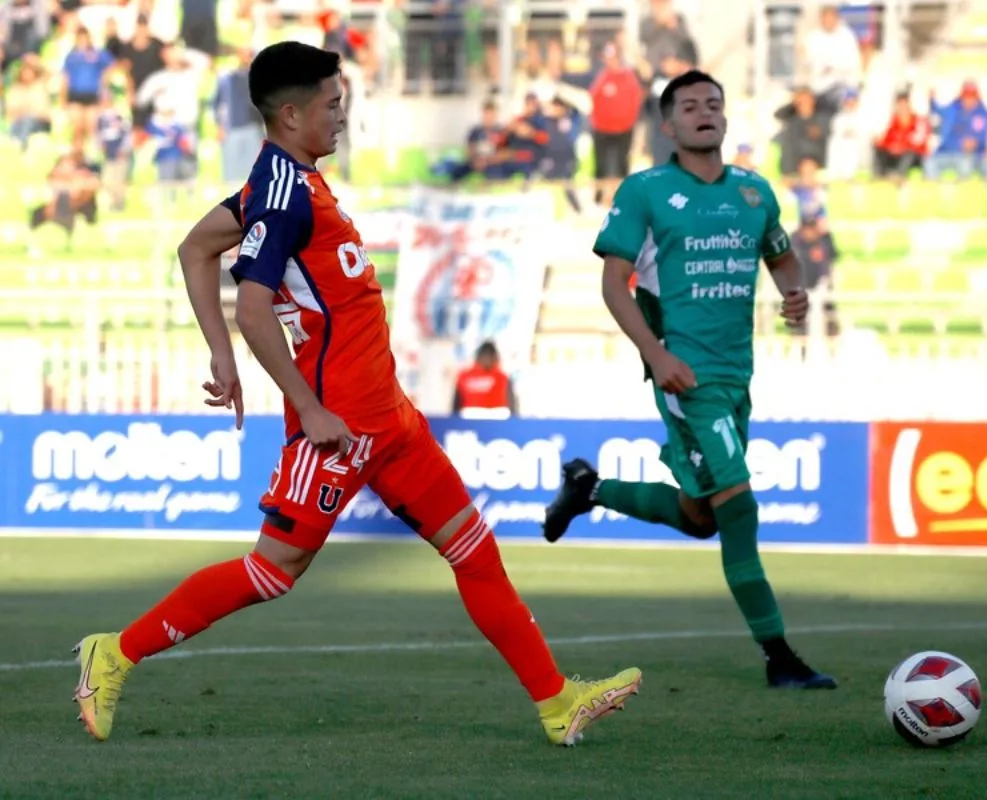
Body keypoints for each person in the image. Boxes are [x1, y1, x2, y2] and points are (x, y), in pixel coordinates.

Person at [72, 41, 641, 748]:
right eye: (332, 105)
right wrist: (304, 406)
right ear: (290, 113)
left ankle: (557, 703)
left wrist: (219, 356)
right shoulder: (281, 197)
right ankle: (115, 653)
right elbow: (252, 307)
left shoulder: (289, 183)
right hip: (337, 424)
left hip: (389, 419)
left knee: (473, 551)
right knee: (271, 572)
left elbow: (196, 249)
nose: (343, 116)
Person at [540, 69, 837, 691]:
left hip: (737, 377)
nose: (705, 112)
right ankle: (779, 656)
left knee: (702, 516)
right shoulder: (646, 191)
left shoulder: (755, 193)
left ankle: (590, 489)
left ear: (725, 120)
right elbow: (611, 282)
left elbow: (781, 254)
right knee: (738, 506)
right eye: (690, 105)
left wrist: (795, 293)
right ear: (668, 125)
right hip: (684, 377)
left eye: (714, 104)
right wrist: (655, 354)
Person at [453, 340, 517, 419]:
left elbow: (512, 406)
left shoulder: (502, 377)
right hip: (471, 420)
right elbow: (456, 406)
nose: (487, 359)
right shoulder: (464, 376)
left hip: (496, 420)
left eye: (489, 356)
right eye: (485, 356)